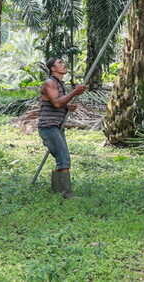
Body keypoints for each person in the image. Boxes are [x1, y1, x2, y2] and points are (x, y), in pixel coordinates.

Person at [39, 57, 86, 198]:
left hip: (56, 126)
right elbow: (56, 103)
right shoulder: (50, 83)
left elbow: (60, 104)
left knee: (61, 158)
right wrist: (74, 92)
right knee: (63, 158)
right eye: (60, 63)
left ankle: (58, 191)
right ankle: (67, 194)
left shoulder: (59, 83)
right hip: (49, 127)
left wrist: (67, 106)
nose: (64, 64)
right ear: (53, 69)